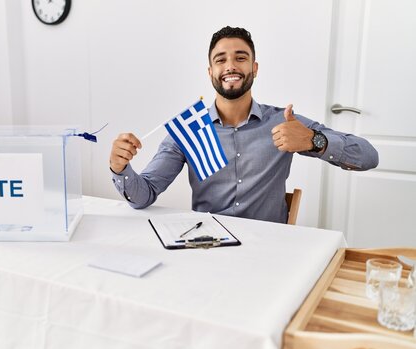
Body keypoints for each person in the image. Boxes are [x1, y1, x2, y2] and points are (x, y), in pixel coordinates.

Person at [109, 26, 379, 224]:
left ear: (255, 68)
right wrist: (120, 168)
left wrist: (314, 140)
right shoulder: (189, 130)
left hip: (269, 251)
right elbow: (143, 196)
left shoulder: (284, 122)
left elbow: (369, 156)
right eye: (221, 60)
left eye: (240, 58)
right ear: (210, 72)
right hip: (207, 245)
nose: (231, 66)